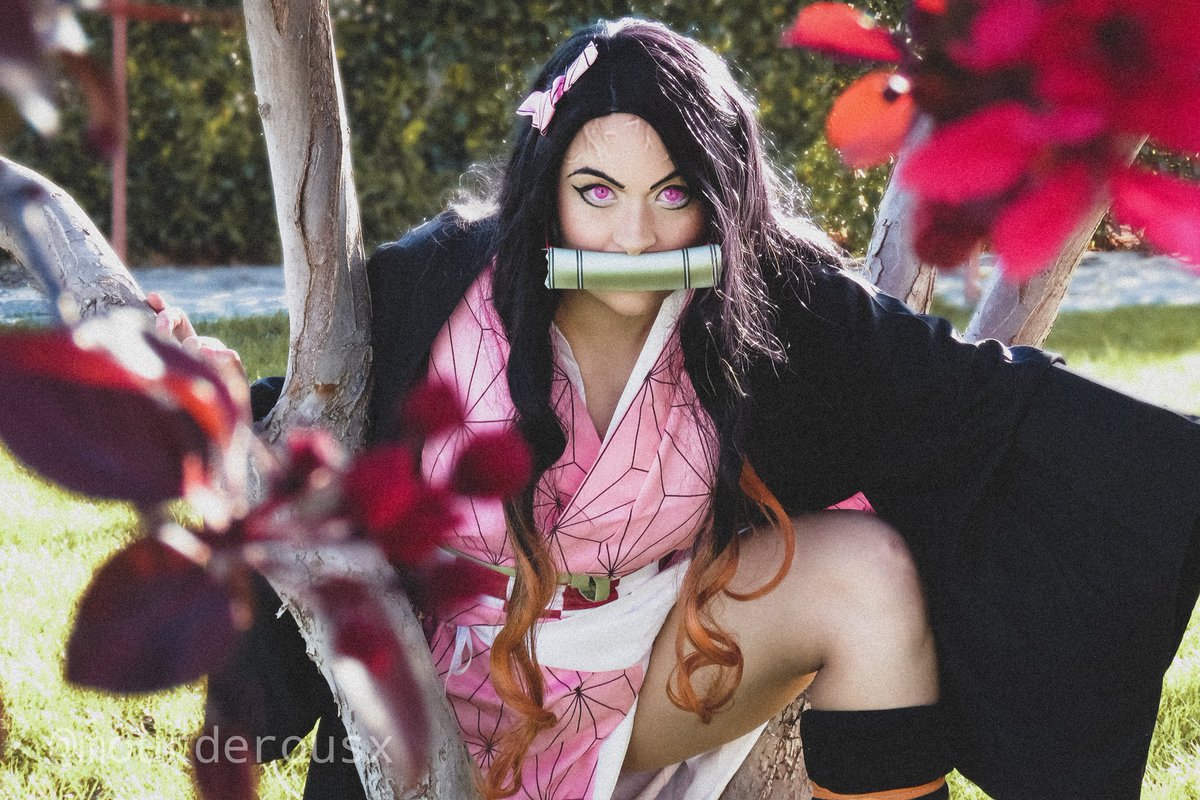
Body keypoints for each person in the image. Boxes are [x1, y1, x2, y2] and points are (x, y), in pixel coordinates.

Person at [157, 18, 1200, 800]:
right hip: (448, 682)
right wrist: (200, 393)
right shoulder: (437, 289)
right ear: (546, 188)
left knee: (867, 573)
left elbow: (967, 396)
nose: (635, 237)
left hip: (640, 665)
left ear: (716, 195)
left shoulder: (762, 300)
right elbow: (298, 427)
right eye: (597, 192)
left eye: (673, 194)